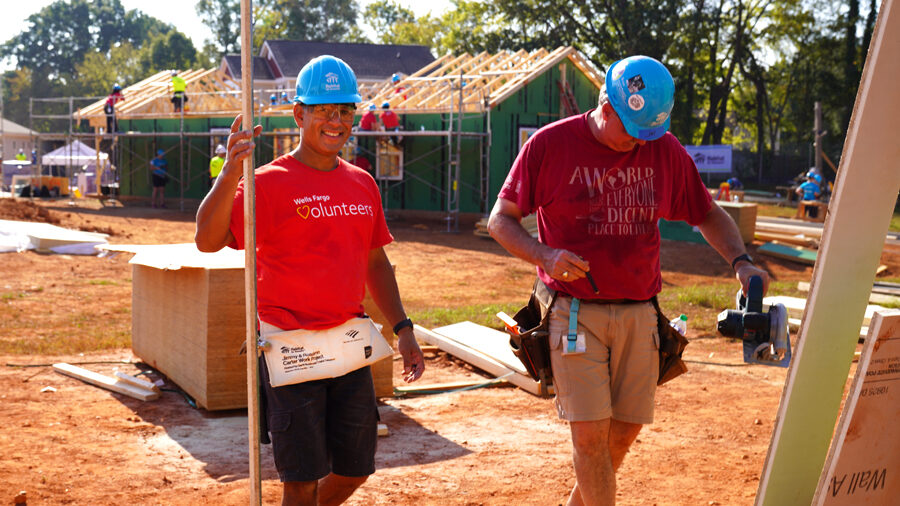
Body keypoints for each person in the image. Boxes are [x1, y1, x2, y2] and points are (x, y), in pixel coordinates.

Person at [487, 55, 770, 506]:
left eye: (650, 132)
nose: (641, 142)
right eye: (634, 130)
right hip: (574, 313)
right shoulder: (550, 145)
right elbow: (501, 219)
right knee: (591, 441)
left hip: (640, 311)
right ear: (607, 106)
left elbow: (708, 213)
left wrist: (741, 261)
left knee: (623, 433)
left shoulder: (662, 148)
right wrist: (544, 254)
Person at [194, 54, 425, 506]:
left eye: (344, 111)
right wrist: (228, 170)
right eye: (323, 110)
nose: (335, 121)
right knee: (300, 476)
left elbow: (375, 261)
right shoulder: (267, 182)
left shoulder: (362, 183)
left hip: (346, 341)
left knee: (356, 466)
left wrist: (404, 328)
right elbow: (207, 239)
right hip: (291, 345)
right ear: (299, 114)